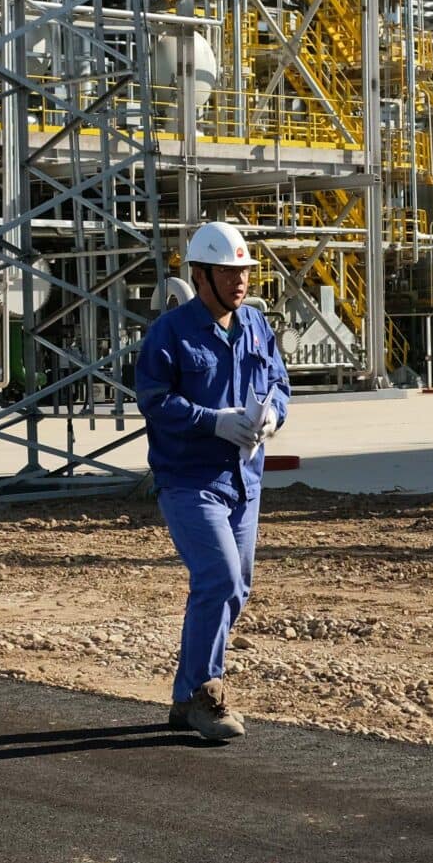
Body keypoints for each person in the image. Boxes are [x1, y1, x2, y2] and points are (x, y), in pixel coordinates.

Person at [133, 221, 289, 743]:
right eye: (228, 271)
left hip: (245, 480)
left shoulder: (256, 327)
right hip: (189, 480)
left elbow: (279, 384)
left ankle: (185, 698)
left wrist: (273, 418)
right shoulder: (170, 334)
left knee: (236, 588)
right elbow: (154, 401)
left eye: (244, 271)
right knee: (219, 577)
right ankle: (205, 693)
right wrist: (212, 419)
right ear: (201, 275)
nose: (240, 281)